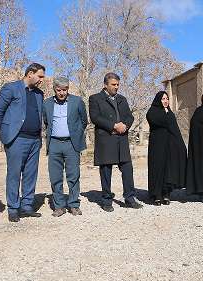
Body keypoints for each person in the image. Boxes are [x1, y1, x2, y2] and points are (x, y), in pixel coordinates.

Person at [0, 63, 46, 223]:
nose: (42, 80)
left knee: (31, 174)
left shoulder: (39, 94)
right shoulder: (11, 88)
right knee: (14, 174)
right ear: (30, 73)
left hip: (35, 140)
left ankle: (27, 206)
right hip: (16, 140)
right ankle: (13, 208)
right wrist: (7, 132)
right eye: (40, 76)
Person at [89, 72, 142, 212]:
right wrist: (113, 125)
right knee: (106, 171)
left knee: (127, 168)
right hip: (106, 139)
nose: (116, 87)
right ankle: (106, 200)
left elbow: (129, 117)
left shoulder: (122, 99)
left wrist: (125, 126)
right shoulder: (95, 98)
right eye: (113, 84)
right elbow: (95, 117)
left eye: (118, 84)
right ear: (105, 85)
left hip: (122, 138)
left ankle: (130, 198)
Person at [43, 77, 88, 217]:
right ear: (54, 89)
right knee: (55, 177)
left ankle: (74, 205)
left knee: (73, 175)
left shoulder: (77, 101)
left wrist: (76, 133)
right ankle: (59, 206)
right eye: (59, 90)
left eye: (65, 90)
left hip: (71, 144)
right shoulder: (46, 104)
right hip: (54, 144)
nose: (62, 93)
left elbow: (84, 120)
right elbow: (46, 122)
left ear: (68, 89)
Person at [146, 91, 187, 205]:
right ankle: (157, 194)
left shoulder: (170, 112)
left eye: (167, 99)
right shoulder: (152, 111)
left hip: (169, 145)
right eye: (163, 99)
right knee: (158, 168)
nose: (165, 101)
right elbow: (157, 121)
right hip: (157, 145)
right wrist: (166, 114)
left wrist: (180, 145)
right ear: (158, 100)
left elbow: (174, 128)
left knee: (168, 168)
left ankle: (166, 194)